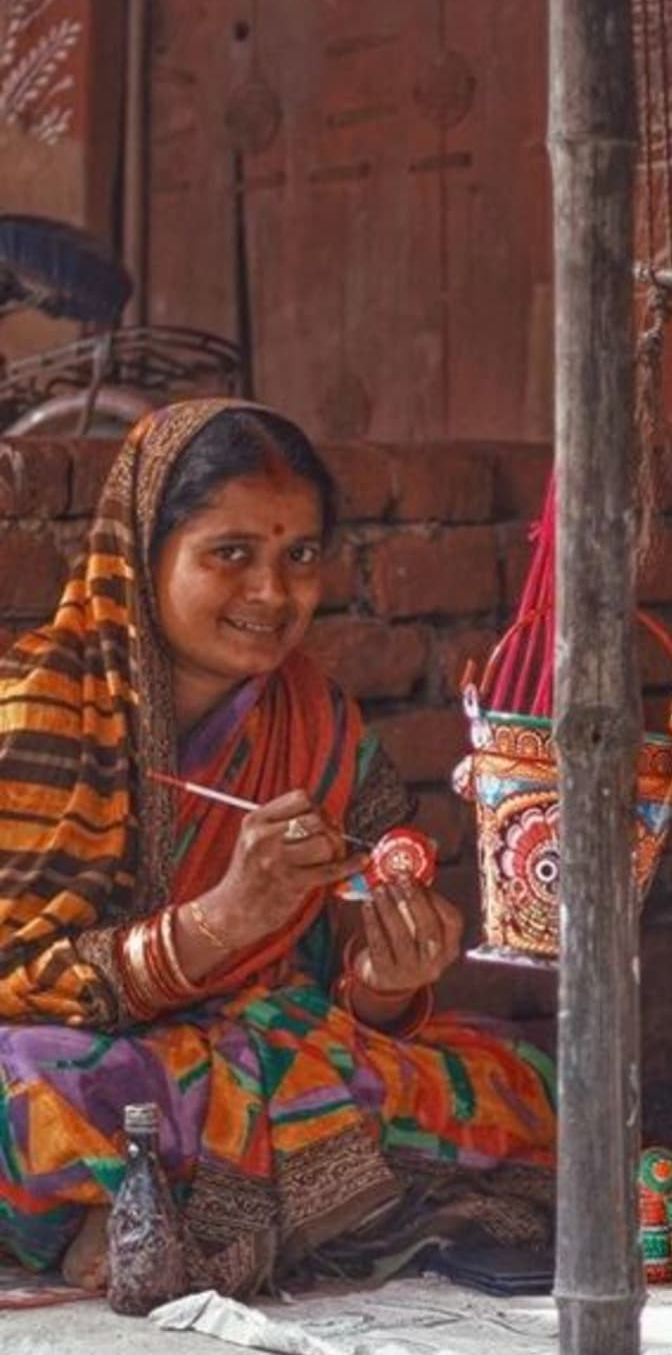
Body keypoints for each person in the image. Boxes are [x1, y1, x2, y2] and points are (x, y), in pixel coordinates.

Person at [0, 398, 556, 1295]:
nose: (272, 592)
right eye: (232, 555)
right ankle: (163, 1202)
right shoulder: (43, 709)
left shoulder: (322, 724)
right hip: (98, 1067)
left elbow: (337, 1001)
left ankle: (144, 1211)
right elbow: (14, 973)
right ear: (145, 554)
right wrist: (217, 923)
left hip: (253, 1069)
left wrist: (386, 984)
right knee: (25, 1085)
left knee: (528, 1079)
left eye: (299, 556)